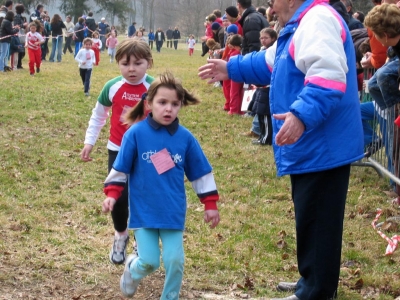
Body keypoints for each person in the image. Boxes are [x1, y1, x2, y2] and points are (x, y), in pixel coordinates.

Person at [198, 0, 364, 298]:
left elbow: (328, 75)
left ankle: (316, 291)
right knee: (310, 215)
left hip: (321, 144)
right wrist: (230, 67)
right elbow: (269, 62)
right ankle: (310, 281)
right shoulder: (301, 24)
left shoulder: (316, 20)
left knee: (318, 220)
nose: (271, 6)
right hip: (314, 144)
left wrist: (301, 116)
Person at [102, 71, 220, 299]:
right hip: (144, 213)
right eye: (162, 102)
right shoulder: (135, 134)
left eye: (175, 104)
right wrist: (112, 194)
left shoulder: (185, 138)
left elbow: (200, 172)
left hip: (172, 212)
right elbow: (121, 168)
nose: (168, 109)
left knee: (175, 262)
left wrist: (210, 203)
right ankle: (132, 269)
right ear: (149, 103)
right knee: (150, 262)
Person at [81, 39, 154, 265]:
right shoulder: (112, 87)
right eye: (125, 64)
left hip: (147, 154)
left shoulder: (155, 88)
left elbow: (166, 121)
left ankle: (141, 240)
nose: (131, 69)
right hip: (118, 151)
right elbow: (98, 115)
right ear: (117, 64)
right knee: (119, 198)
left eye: (137, 63)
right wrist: (89, 141)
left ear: (149, 63)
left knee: (143, 197)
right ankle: (121, 235)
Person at [223, 34, 244, 115]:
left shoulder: (235, 53)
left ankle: (234, 110)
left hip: (235, 75)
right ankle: (238, 109)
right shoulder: (233, 52)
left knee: (234, 92)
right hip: (236, 74)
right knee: (236, 92)